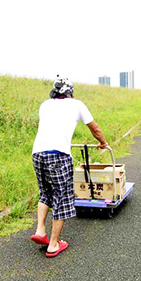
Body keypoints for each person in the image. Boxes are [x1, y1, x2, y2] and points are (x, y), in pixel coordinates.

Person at [30, 75, 108, 258]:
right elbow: (95, 128)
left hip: (38, 153)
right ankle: (54, 245)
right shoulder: (77, 104)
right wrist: (103, 142)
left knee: (45, 192)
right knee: (62, 197)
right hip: (59, 155)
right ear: (70, 92)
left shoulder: (45, 104)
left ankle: (40, 230)